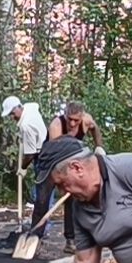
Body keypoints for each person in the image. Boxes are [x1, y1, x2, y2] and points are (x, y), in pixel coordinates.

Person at [47, 101, 100, 250]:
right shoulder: (56, 126)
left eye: (76, 120)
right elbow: (54, 154)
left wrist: (99, 147)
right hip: (51, 161)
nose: (72, 123)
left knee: (74, 198)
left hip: (73, 162)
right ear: (65, 114)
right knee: (43, 200)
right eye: (69, 119)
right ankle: (36, 235)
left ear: (82, 117)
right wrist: (61, 182)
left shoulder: (87, 120)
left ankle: (71, 240)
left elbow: (95, 129)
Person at [2, 95, 50, 234]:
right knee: (43, 195)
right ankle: (41, 227)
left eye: (12, 114)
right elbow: (35, 105)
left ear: (18, 108)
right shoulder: (30, 108)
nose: (12, 117)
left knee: (41, 196)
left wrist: (22, 168)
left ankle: (41, 230)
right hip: (46, 147)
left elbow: (30, 154)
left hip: (42, 156)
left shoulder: (26, 125)